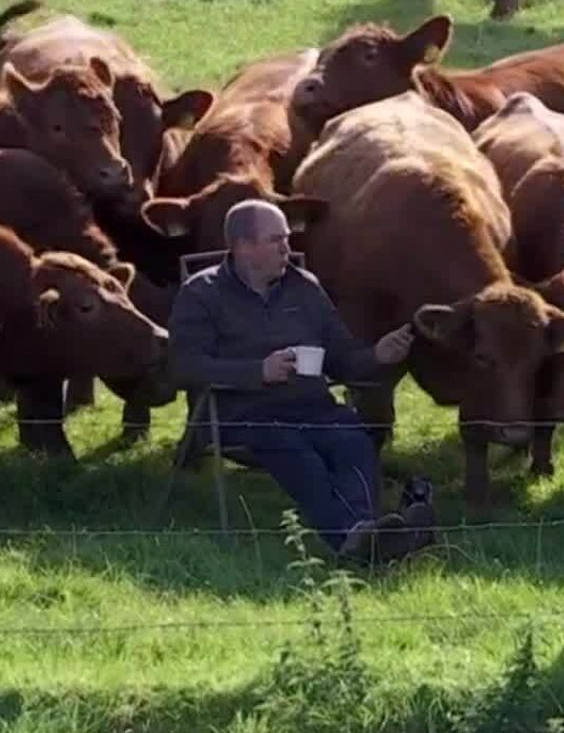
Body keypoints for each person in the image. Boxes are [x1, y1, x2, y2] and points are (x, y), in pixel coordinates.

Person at [167, 199, 437, 564]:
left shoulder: (304, 287)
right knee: (298, 454)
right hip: (244, 414)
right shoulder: (202, 294)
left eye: (287, 239)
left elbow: (341, 357)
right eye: (276, 240)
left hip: (313, 407)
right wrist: (256, 372)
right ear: (244, 246)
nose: (287, 248)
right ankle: (362, 537)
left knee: (353, 439)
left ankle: (367, 534)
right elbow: (184, 366)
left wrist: (377, 355)